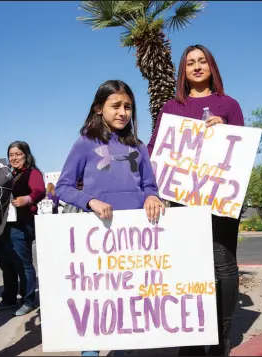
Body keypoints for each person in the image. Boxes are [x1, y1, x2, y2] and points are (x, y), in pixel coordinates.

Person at [56, 80, 165, 357]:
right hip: (97, 237)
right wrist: (89, 201)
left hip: (134, 239)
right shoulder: (84, 143)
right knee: (96, 301)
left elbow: (149, 186)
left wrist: (152, 197)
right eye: (115, 105)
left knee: (127, 303)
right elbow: (63, 188)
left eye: (128, 106)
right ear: (98, 109)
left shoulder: (139, 147)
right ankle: (90, 351)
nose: (123, 112)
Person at [147, 44, 244, 356]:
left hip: (221, 201)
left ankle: (221, 336)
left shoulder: (228, 104)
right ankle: (190, 336)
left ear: (211, 67)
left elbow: (241, 148)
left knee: (223, 264)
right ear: (183, 71)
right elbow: (154, 148)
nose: (197, 67)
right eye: (191, 63)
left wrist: (225, 129)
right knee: (189, 267)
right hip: (184, 201)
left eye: (202, 61)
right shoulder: (172, 108)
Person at [0, 141, 45, 316]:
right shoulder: (6, 173)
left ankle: (28, 300)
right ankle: (9, 299)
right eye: (11, 155)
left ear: (26, 155)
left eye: (18, 154)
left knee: (23, 264)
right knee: (5, 263)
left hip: (22, 224)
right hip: (2, 225)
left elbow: (39, 191)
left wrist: (27, 199)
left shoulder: (32, 172)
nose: (14, 158)